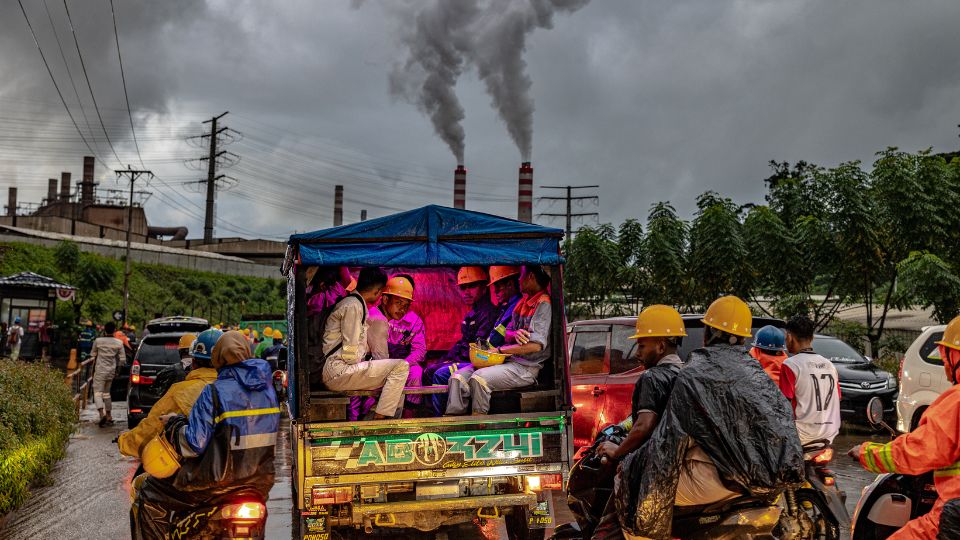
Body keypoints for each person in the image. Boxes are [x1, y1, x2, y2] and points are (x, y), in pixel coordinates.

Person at [613, 296, 804, 538]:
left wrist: (636, 471)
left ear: (708, 332)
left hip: (714, 482)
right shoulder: (756, 373)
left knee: (633, 485)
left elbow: (669, 442)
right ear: (745, 337)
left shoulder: (693, 373)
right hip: (759, 482)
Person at [131, 330, 280, 540]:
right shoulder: (268, 392)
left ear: (216, 358)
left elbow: (193, 445)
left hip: (216, 485)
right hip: (259, 483)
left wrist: (175, 423)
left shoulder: (213, 392)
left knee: (148, 493)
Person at [849, 314, 960, 539]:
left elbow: (919, 450)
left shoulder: (955, 402)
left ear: (954, 356)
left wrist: (867, 453)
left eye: (944, 355)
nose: (944, 362)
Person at [591, 305, 686, 539]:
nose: (637, 353)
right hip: (678, 466)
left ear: (661, 345)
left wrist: (617, 450)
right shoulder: (686, 374)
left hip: (650, 468)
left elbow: (644, 425)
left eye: (642, 345)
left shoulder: (652, 377)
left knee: (608, 529)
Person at [446, 265, 551, 415]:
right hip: (508, 362)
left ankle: (477, 425)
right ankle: (454, 424)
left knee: (479, 379)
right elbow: (507, 332)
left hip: (526, 368)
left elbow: (535, 346)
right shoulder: (523, 302)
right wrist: (514, 334)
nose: (518, 281)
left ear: (531, 277)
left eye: (520, 276)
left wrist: (500, 350)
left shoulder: (543, 304)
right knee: (456, 378)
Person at [321, 267, 410, 420]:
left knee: (394, 381)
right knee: (401, 367)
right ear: (378, 291)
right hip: (339, 370)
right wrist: (364, 365)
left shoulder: (355, 304)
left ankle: (376, 419)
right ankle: (378, 421)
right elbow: (350, 351)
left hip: (339, 369)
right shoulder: (354, 306)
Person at [117, 330, 218, 459]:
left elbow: (152, 428)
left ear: (193, 362)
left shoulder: (180, 391)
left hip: (196, 465)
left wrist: (125, 442)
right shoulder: (236, 387)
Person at [430, 267, 499, 416]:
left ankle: (439, 420)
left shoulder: (488, 313)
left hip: (476, 362)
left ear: (483, 288)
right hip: (465, 359)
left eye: (472, 286)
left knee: (438, 374)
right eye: (463, 287)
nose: (466, 292)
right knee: (431, 369)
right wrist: (446, 358)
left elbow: (477, 347)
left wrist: (450, 360)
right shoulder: (472, 313)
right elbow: (462, 343)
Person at [365, 275, 426, 417]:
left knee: (415, 373)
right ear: (385, 299)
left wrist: (403, 364)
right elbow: (379, 358)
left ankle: (408, 417)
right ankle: (379, 417)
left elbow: (420, 350)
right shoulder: (376, 318)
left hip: (400, 363)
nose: (402, 309)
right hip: (376, 364)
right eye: (398, 302)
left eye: (405, 305)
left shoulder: (414, 321)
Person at [780, 314, 841, 447]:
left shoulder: (790, 365)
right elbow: (838, 398)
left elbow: (784, 404)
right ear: (812, 338)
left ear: (789, 337)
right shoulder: (830, 365)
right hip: (829, 435)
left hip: (802, 436)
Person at [90, 322, 126, 427]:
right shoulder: (119, 343)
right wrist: (118, 370)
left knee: (97, 393)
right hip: (111, 371)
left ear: (104, 330)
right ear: (115, 330)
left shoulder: (98, 341)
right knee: (107, 393)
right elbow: (123, 360)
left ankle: (102, 415)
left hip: (100, 371)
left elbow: (93, 355)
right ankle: (109, 415)